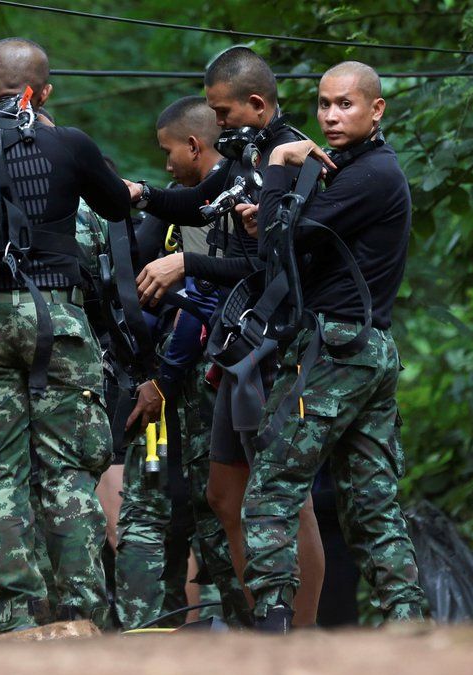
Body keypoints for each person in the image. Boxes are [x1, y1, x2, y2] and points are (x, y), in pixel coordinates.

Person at [125, 48, 325, 627]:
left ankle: (300, 632)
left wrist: (185, 265)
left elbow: (269, 272)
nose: (217, 124)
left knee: (289, 500)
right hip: (238, 347)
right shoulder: (247, 155)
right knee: (223, 496)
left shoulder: (291, 160)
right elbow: (200, 203)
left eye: (223, 111)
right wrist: (140, 194)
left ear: (256, 105)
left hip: (277, 346)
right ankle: (263, 622)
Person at [0, 38, 129, 632]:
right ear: (44, 92)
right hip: (59, 318)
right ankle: (84, 615)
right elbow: (117, 209)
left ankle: (16, 618)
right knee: (69, 471)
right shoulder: (67, 142)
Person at [243, 61, 425, 631]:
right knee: (371, 502)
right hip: (367, 349)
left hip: (336, 349)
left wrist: (276, 166)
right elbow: (296, 239)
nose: (330, 115)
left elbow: (280, 245)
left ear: (377, 109)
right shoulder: (353, 169)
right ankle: (407, 622)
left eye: (344, 104)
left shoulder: (371, 174)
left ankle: (275, 624)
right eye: (323, 104)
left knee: (272, 484)